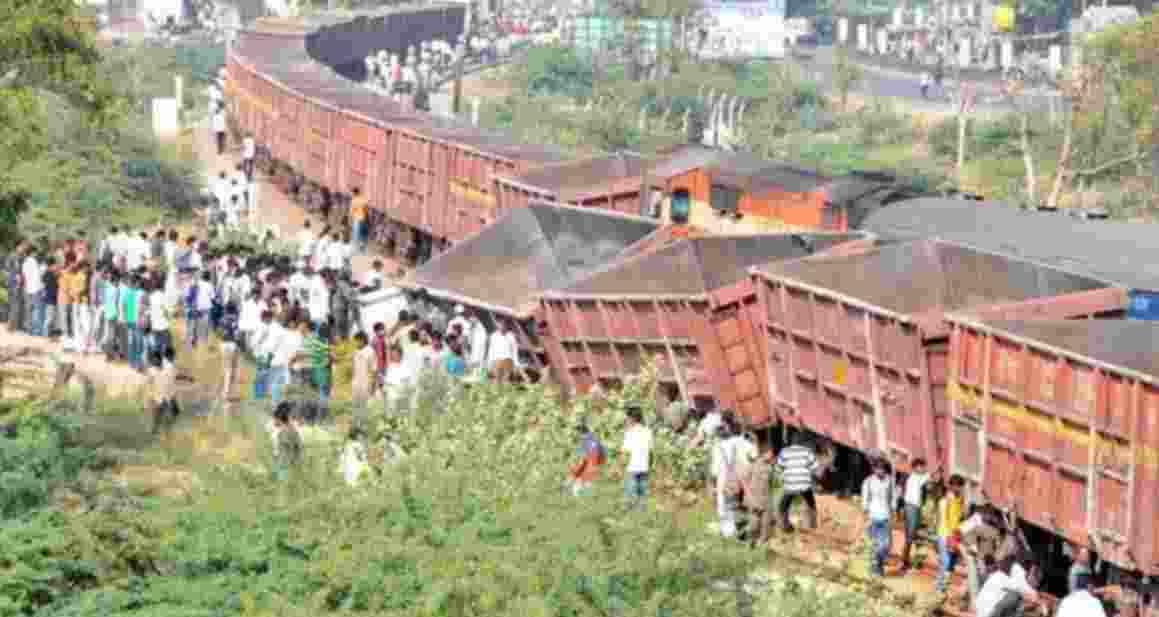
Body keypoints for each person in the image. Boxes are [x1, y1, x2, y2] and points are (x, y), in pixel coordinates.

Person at [716, 421, 756, 538]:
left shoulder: (721, 445)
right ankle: (745, 532)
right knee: (744, 507)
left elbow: (714, 469)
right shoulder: (745, 442)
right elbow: (754, 456)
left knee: (728, 508)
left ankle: (729, 533)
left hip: (726, 480)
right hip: (743, 479)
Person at [776, 433, 820, 531]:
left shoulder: (785, 452)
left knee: (783, 505)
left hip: (790, 485)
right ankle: (812, 523)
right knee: (811, 503)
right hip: (804, 484)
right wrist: (813, 479)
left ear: (791, 442)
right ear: (802, 442)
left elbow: (778, 469)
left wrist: (783, 478)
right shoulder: (807, 452)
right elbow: (816, 469)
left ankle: (785, 525)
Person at [975, 552, 1040, 617]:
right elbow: (1020, 588)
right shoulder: (994, 579)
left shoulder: (997, 577)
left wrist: (1034, 597)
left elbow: (1019, 588)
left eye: (980, 567)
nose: (978, 569)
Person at [901, 458, 937, 571]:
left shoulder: (921, 477)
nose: (922, 469)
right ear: (915, 467)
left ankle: (913, 560)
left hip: (917, 508)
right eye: (920, 466)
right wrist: (935, 470)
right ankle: (905, 560)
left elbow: (930, 480)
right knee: (910, 536)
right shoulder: (914, 478)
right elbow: (929, 477)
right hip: (911, 507)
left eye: (923, 466)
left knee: (915, 536)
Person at [862, 458, 896, 577]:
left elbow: (893, 498)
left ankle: (878, 564)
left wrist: (893, 513)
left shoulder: (889, 481)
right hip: (873, 516)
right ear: (874, 469)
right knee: (873, 544)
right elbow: (865, 499)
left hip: (885, 516)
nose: (880, 471)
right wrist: (865, 514)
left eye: (882, 469)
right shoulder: (868, 481)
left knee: (885, 545)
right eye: (877, 469)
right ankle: (875, 569)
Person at [937, 474, 967, 593]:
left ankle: (942, 587)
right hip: (946, 534)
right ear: (951, 486)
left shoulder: (959, 499)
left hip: (954, 534)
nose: (959, 488)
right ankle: (940, 588)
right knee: (946, 561)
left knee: (950, 563)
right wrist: (951, 535)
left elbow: (959, 517)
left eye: (960, 486)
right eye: (957, 486)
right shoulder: (947, 500)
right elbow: (947, 518)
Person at [743, 445, 776, 549]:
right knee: (754, 523)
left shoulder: (770, 467)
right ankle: (750, 543)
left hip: (766, 499)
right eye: (770, 453)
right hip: (754, 498)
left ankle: (762, 544)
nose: (771, 456)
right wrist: (748, 496)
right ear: (764, 453)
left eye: (772, 454)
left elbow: (770, 484)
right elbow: (745, 481)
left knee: (766, 524)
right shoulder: (753, 465)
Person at [620, 406, 653, 510]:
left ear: (631, 418)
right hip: (644, 467)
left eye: (627, 418)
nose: (626, 420)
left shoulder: (629, 432)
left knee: (629, 496)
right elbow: (651, 451)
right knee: (642, 496)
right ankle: (641, 513)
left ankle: (629, 514)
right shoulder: (648, 431)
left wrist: (621, 466)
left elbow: (625, 453)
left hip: (632, 467)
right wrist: (650, 464)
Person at [690, 406, 724, 498]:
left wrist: (689, 447)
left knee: (709, 474)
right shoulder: (718, 417)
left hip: (712, 451)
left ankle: (712, 495)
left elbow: (699, 438)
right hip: (723, 448)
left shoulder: (703, 423)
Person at [568, 422, 606, 496]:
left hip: (593, 459)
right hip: (594, 458)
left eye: (577, 432)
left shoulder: (588, 439)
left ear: (580, 432)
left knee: (583, 474)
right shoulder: (590, 437)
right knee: (581, 473)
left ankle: (577, 490)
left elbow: (593, 451)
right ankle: (577, 487)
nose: (576, 434)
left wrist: (584, 459)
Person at [149, 346, 180, 434]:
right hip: (162, 394)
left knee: (171, 412)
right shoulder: (155, 369)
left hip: (166, 394)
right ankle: (160, 429)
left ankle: (161, 428)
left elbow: (175, 376)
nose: (154, 362)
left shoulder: (167, 365)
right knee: (162, 412)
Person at [272, 401, 303, 479]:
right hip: (286, 466)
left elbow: (293, 451)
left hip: (285, 467)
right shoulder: (291, 431)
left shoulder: (285, 432)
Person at [351, 332, 377, 417]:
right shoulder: (355, 351)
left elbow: (374, 369)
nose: (355, 343)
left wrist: (373, 385)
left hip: (366, 383)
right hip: (356, 383)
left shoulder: (370, 351)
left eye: (357, 341)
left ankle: (363, 425)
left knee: (365, 407)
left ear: (362, 340)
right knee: (355, 406)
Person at [350, 187, 369, 253]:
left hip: (357, 219)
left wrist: (350, 219)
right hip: (364, 219)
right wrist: (367, 218)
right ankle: (363, 248)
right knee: (363, 234)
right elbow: (366, 209)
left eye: (352, 193)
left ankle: (355, 248)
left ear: (354, 193)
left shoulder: (353, 200)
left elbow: (352, 211)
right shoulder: (363, 199)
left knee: (356, 234)